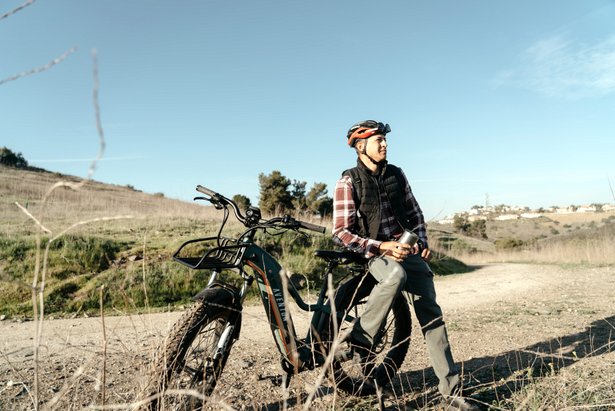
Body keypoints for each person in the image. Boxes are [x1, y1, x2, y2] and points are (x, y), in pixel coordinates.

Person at [332, 120, 479, 411]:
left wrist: (421, 242)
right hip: (375, 254)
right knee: (395, 275)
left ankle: (451, 393)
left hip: (407, 251)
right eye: (378, 141)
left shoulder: (397, 175)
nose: (384, 144)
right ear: (361, 147)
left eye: (385, 140)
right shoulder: (348, 181)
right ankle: (358, 339)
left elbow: (415, 213)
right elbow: (341, 232)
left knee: (432, 316)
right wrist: (381, 246)